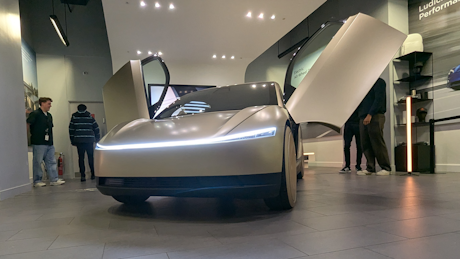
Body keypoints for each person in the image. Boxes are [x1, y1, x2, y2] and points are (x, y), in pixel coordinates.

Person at [27, 97, 66, 187]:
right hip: (38, 142)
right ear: (42, 103)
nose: (50, 106)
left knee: (51, 161)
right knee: (38, 161)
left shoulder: (49, 115)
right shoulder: (35, 114)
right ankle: (37, 180)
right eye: (48, 104)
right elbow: (28, 124)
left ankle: (54, 179)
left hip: (49, 143)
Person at [357, 78, 391, 176]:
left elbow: (379, 99)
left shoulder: (379, 82)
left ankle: (386, 167)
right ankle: (370, 168)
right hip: (362, 116)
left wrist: (370, 114)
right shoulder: (364, 84)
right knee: (365, 143)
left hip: (375, 116)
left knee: (377, 142)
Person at [69, 104, 100, 181]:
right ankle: (93, 174)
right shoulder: (89, 116)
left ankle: (82, 176)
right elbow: (96, 128)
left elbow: (71, 129)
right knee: (90, 157)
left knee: (81, 158)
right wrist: (97, 139)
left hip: (79, 140)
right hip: (89, 140)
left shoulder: (74, 117)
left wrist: (72, 140)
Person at [339, 107, 363, 173]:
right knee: (346, 145)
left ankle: (358, 165)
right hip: (348, 124)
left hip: (358, 123)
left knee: (359, 146)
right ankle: (347, 166)